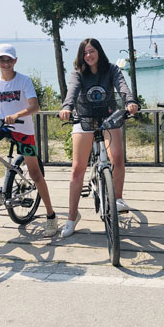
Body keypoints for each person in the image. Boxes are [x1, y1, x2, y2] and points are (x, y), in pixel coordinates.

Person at [59, 38, 139, 238]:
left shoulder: (111, 69)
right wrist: (67, 107)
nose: (88, 55)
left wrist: (130, 101)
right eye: (85, 53)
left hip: (109, 117)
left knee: (117, 158)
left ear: (99, 52)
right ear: (81, 56)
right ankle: (71, 217)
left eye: (92, 51)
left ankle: (117, 199)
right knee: (77, 169)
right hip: (84, 118)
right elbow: (72, 91)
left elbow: (122, 86)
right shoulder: (78, 73)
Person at [0, 43, 58, 237]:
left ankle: (51, 216)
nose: (6, 63)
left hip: (23, 129)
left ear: (15, 61)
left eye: (9, 59)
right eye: (2, 60)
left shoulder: (24, 81)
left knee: (35, 174)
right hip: (3, 126)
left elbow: (34, 106)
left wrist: (16, 115)